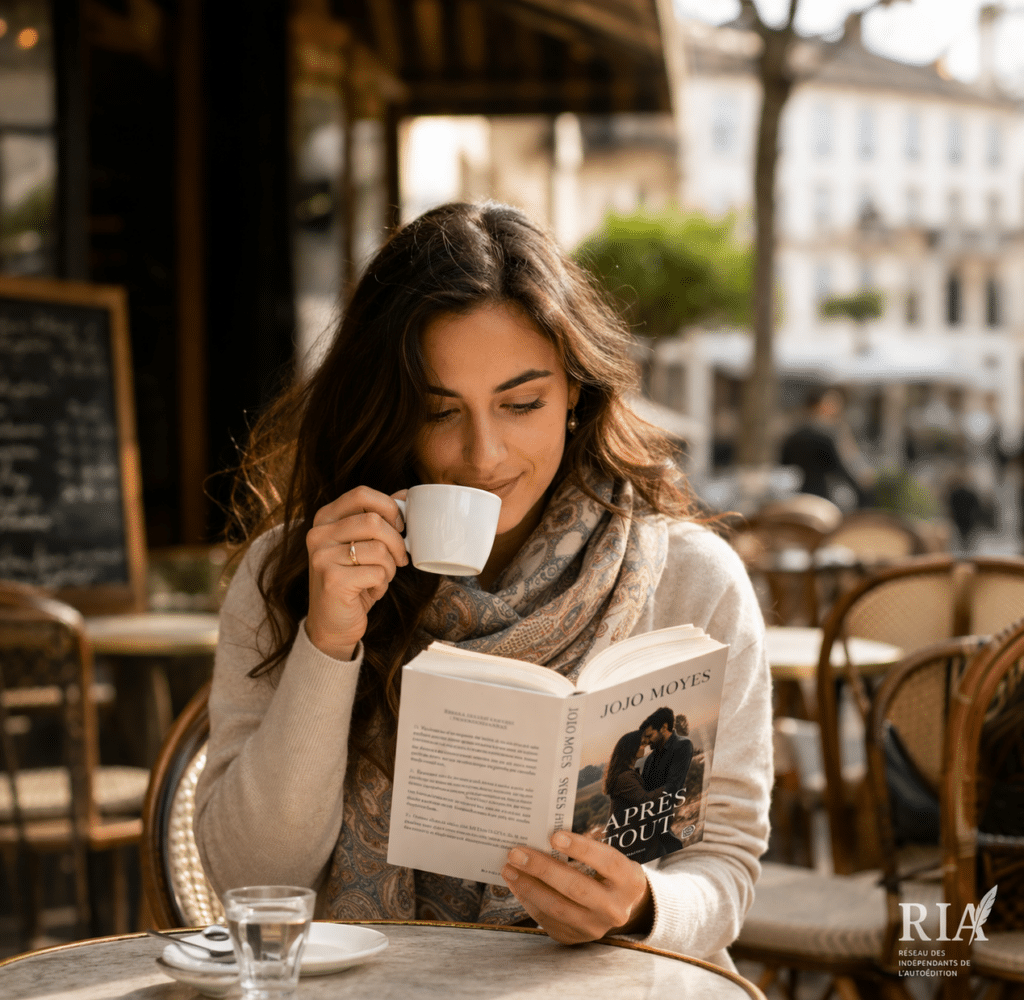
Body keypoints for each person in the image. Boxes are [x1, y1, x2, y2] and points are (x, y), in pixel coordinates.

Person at [193, 201, 772, 971]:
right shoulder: (292, 573)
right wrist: (328, 642)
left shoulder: (694, 582)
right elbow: (253, 880)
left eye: (522, 402)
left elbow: (727, 868)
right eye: (439, 411)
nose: (483, 453)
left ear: (575, 396)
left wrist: (640, 906)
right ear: (390, 414)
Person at [779, 387, 867, 505]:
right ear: (819, 405)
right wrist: (863, 490)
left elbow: (783, 464)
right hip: (821, 497)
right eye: (832, 403)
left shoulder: (792, 434)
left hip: (796, 495)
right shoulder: (826, 436)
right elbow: (840, 469)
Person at [603, 730, 665, 864]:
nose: (645, 747)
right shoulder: (625, 777)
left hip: (628, 836)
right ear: (631, 748)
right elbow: (646, 801)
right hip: (627, 840)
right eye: (642, 744)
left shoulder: (627, 773)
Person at [639, 706, 694, 855]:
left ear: (664, 728)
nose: (648, 742)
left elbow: (673, 786)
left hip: (663, 809)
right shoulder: (650, 759)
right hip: (648, 812)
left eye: (650, 736)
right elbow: (643, 788)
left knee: (666, 845)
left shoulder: (683, 746)